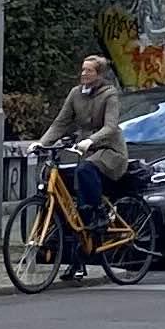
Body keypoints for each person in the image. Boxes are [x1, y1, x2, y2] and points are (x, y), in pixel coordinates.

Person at [42, 52, 131, 238]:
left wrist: (91, 140)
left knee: (85, 169)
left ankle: (98, 216)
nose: (83, 74)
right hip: (87, 152)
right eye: (82, 70)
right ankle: (64, 230)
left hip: (110, 152)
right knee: (62, 177)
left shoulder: (109, 94)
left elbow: (111, 126)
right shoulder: (75, 94)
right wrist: (42, 143)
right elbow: (60, 123)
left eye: (89, 71)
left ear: (99, 74)